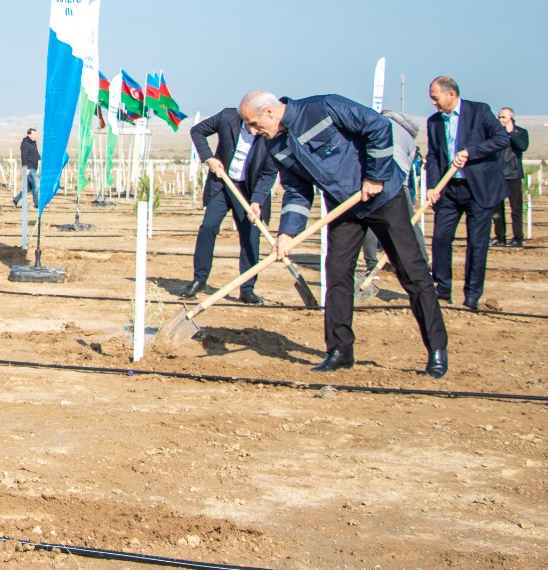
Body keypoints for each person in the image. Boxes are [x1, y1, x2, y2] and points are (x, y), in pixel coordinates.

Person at [240, 89, 449, 378]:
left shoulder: (324, 107)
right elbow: (297, 191)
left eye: (253, 123)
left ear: (270, 112)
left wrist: (375, 175)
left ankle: (436, 348)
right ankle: (339, 350)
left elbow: (377, 126)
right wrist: (287, 233)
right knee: (336, 274)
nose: (251, 131)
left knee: (412, 272)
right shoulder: (275, 145)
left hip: (382, 197)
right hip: (343, 207)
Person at [425, 76, 510, 312]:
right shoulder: (433, 122)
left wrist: (471, 152)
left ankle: (472, 295)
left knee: (477, 243)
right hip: (449, 189)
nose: (433, 103)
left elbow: (502, 138)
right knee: (441, 239)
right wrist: (432, 186)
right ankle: (442, 288)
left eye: (435, 98)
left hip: (478, 189)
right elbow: (433, 156)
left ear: (451, 94)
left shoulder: (479, 111)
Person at [185, 106, 275, 303]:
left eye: (258, 126)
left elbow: (269, 173)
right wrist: (209, 158)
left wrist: (257, 201)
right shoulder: (227, 117)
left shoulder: (271, 134)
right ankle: (199, 279)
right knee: (208, 227)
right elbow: (197, 131)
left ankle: (247, 289)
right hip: (222, 184)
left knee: (251, 237)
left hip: (250, 191)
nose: (255, 131)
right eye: (251, 126)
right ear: (245, 117)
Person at [361, 110, 427, 276]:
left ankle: (371, 265)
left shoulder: (376, 125)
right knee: (409, 223)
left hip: (373, 178)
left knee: (369, 221)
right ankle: (423, 264)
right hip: (397, 182)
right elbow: (409, 166)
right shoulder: (408, 139)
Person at [492, 108, 530, 250]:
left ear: (511, 117)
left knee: (515, 208)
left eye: (503, 117)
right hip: (497, 175)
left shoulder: (521, 132)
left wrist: (511, 132)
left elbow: (522, 146)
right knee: (496, 209)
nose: (500, 119)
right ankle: (499, 237)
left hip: (513, 174)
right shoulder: (495, 133)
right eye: (499, 117)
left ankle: (517, 238)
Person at [12, 128, 40, 209]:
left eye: (36, 134)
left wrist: (39, 160)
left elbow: (36, 154)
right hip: (29, 168)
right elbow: (24, 157)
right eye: (34, 134)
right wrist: (26, 168)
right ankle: (37, 203)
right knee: (36, 185)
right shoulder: (25, 144)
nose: (36, 136)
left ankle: (16, 200)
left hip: (34, 167)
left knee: (28, 188)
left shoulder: (33, 144)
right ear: (29, 134)